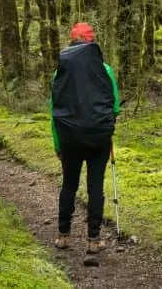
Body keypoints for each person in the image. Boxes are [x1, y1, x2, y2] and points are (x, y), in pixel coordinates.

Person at [50, 22, 120, 254]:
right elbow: (115, 107)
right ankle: (93, 239)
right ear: (92, 42)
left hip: (69, 138)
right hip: (98, 138)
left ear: (72, 42)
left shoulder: (59, 71)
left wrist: (58, 144)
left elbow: (54, 112)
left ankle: (63, 235)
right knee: (95, 185)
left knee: (69, 184)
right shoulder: (105, 69)